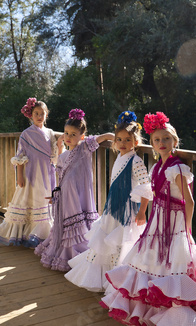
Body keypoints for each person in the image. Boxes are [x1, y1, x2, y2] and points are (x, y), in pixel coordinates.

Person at [100, 112, 196, 326]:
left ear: (174, 141)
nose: (161, 143)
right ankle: (151, 307)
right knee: (151, 259)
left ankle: (176, 311)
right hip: (157, 221)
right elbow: (151, 193)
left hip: (174, 223)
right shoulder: (158, 167)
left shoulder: (176, 168)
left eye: (166, 139)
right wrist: (144, 213)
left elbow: (190, 202)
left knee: (172, 261)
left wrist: (185, 231)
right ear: (152, 143)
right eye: (157, 140)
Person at [64, 111, 153, 292]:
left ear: (136, 142)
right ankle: (106, 277)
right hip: (113, 208)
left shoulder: (136, 161)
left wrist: (143, 211)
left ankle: (120, 280)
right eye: (119, 139)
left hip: (127, 212)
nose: (122, 143)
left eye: (127, 140)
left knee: (122, 242)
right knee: (106, 241)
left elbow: (146, 187)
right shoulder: (120, 156)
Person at [34, 108, 114, 271]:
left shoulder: (85, 148)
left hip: (80, 196)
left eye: (73, 134)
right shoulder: (63, 157)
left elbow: (105, 137)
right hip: (65, 198)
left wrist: (115, 138)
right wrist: (55, 196)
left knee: (80, 225)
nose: (69, 137)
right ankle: (64, 253)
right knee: (65, 224)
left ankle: (77, 254)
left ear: (82, 137)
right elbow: (60, 180)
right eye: (66, 133)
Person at [0, 98, 60, 248]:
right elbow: (20, 156)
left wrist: (61, 144)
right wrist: (20, 176)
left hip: (47, 173)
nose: (40, 116)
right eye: (36, 113)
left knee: (45, 199)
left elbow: (54, 154)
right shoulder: (26, 134)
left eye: (42, 113)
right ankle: (26, 233)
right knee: (31, 198)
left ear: (46, 115)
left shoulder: (50, 132)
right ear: (31, 115)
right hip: (32, 173)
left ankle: (43, 233)